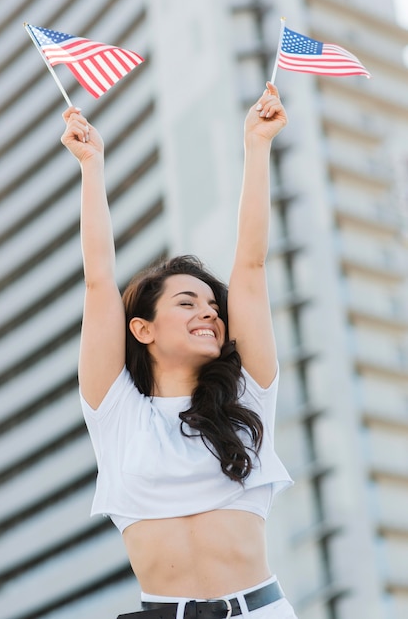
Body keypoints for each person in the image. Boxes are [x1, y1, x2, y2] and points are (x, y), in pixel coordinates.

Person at [61, 81, 297, 619]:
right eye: (187, 303)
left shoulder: (248, 399)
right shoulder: (116, 412)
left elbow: (252, 269)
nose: (209, 313)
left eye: (212, 305)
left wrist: (257, 146)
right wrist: (90, 166)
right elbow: (99, 283)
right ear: (141, 329)